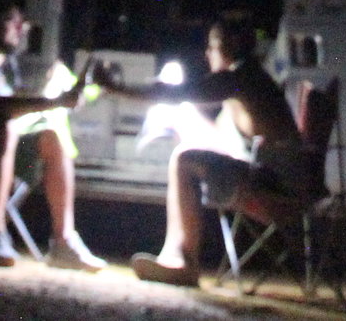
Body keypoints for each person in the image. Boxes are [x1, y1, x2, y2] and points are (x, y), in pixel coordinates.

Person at [129, 21, 306, 287]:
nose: (207, 55)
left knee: (184, 160)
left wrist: (117, 87)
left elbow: (181, 93)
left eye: (212, 47)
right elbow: (220, 140)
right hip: (283, 181)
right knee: (186, 146)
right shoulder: (250, 80)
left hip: (277, 189)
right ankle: (174, 257)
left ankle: (184, 264)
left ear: (231, 46)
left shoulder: (241, 78)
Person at [0, 5, 107, 271]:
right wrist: (52, 102)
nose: (22, 29)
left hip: (4, 150)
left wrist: (61, 100)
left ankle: (63, 241)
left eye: (23, 23)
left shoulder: (8, 68)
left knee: (52, 137)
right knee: (5, 126)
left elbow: (16, 105)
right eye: (13, 21)